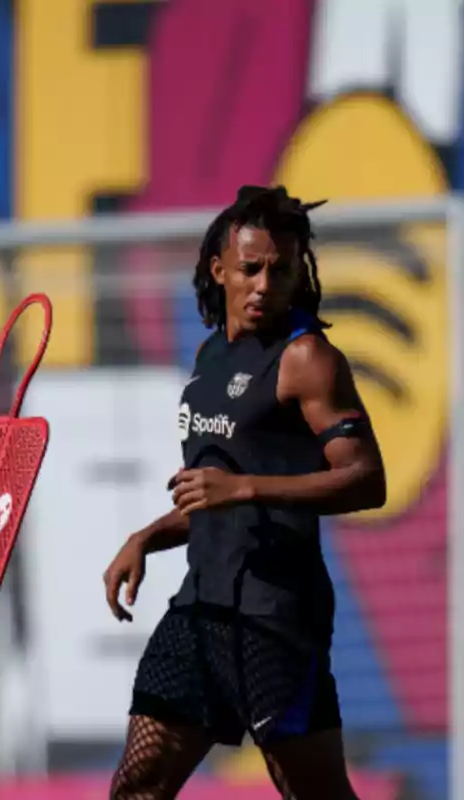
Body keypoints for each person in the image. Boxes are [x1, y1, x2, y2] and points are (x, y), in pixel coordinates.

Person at [103, 185, 387, 799]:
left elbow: (366, 478)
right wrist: (148, 536)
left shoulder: (307, 358)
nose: (264, 284)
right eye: (251, 268)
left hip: (274, 622)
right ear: (219, 269)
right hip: (200, 611)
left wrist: (246, 486)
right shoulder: (209, 355)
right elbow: (217, 501)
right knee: (136, 786)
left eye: (280, 271)